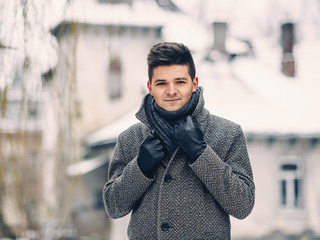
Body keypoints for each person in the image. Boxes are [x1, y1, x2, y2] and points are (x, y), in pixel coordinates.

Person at [103, 42, 255, 239]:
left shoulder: (227, 134)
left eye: (180, 82)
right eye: (161, 83)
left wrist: (200, 153)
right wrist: (140, 167)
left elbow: (243, 205)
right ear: (150, 87)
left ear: (194, 83)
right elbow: (114, 206)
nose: (171, 91)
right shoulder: (130, 139)